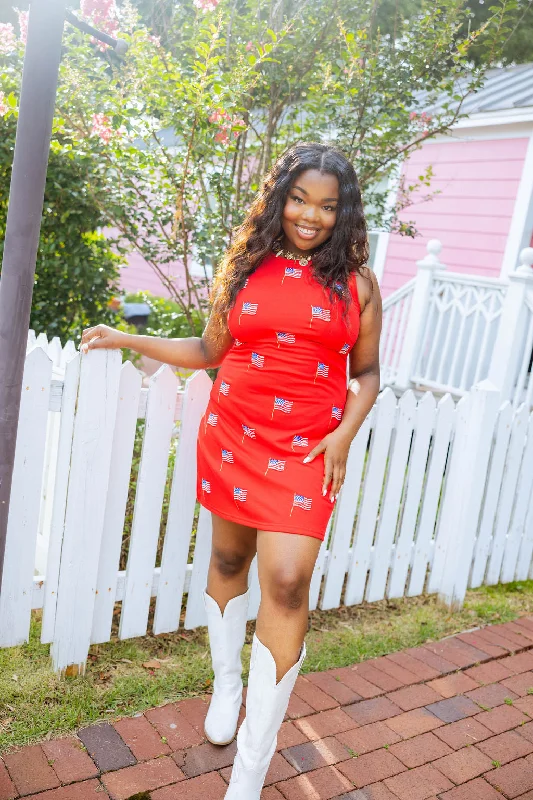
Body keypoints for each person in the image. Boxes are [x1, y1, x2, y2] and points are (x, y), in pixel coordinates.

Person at [79, 140, 382, 799]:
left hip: (306, 449)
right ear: (280, 198)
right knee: (225, 562)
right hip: (235, 435)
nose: (310, 215)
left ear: (344, 213)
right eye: (299, 199)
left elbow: (366, 374)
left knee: (288, 579)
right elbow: (207, 349)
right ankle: (226, 679)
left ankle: (250, 767)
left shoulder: (356, 284)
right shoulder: (244, 265)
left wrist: (343, 437)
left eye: (327, 206)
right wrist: (127, 336)